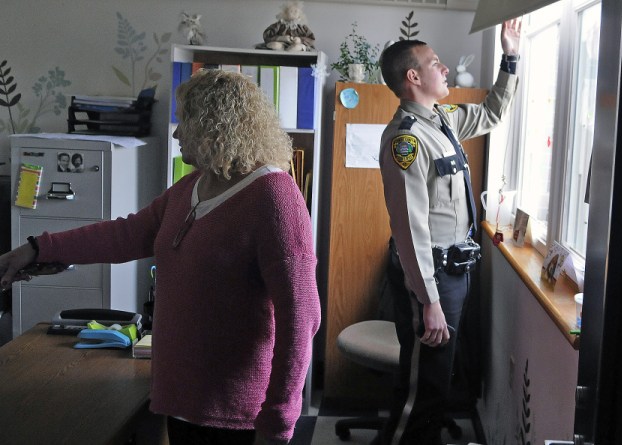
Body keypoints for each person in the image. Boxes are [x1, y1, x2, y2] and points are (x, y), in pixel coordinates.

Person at [0, 69, 320, 445]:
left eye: (184, 121)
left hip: (236, 414)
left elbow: (301, 319)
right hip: (181, 399)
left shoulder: (274, 198)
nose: (175, 133)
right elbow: (125, 235)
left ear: (214, 126)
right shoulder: (193, 185)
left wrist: (280, 420)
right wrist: (37, 248)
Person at [378, 19, 521, 445]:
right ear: (413, 77)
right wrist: (429, 300)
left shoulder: (443, 122)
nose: (444, 70)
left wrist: (510, 57)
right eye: (435, 63)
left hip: (452, 272)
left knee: (436, 381)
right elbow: (410, 229)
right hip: (430, 276)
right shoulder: (407, 141)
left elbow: (493, 111)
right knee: (425, 388)